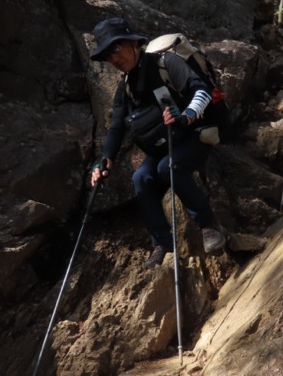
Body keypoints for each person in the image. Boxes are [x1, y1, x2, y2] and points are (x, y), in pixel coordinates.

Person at [89, 17, 226, 268]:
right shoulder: (126, 86)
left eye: (116, 48)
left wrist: (186, 116)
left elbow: (202, 90)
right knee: (140, 178)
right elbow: (117, 125)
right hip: (163, 145)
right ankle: (162, 242)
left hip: (193, 134)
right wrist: (106, 158)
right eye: (108, 54)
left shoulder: (166, 63)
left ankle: (209, 225)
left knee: (169, 168)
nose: (114, 58)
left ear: (132, 44)